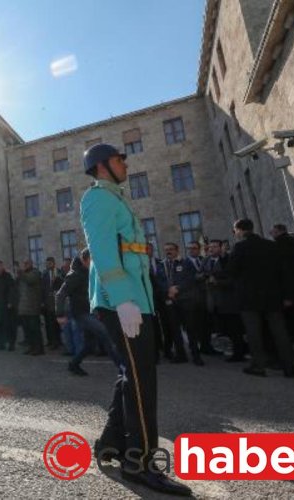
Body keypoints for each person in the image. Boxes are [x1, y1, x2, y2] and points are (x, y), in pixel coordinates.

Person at [81, 143, 191, 496]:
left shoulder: (117, 198)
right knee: (142, 378)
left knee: (133, 372)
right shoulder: (97, 198)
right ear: (101, 167)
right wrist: (124, 299)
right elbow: (101, 250)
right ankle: (140, 463)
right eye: (118, 159)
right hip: (121, 300)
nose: (125, 163)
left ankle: (111, 445)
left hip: (134, 299)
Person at [228, 219, 294, 377]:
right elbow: (284, 272)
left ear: (240, 230)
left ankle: (259, 366)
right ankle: (289, 367)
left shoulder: (240, 247)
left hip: (249, 298)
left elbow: (231, 271)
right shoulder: (271, 245)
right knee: (280, 332)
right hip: (273, 296)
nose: (235, 233)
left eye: (235, 230)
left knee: (254, 333)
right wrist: (288, 295)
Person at [55, 248, 114, 376]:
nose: (94, 264)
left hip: (90, 311)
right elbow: (60, 294)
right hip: (81, 314)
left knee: (90, 345)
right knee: (105, 332)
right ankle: (123, 367)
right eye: (91, 261)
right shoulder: (75, 274)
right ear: (84, 260)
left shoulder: (90, 272)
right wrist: (60, 314)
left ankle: (74, 364)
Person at [203, 239, 246, 361]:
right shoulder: (206, 260)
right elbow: (199, 274)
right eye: (210, 247)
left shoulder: (228, 260)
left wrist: (217, 282)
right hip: (214, 301)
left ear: (221, 248)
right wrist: (204, 277)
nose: (211, 249)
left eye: (215, 246)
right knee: (225, 328)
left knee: (235, 329)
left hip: (229, 300)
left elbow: (233, 279)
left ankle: (239, 353)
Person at [16, 259, 44, 355]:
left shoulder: (35, 273)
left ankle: (39, 348)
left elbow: (30, 280)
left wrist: (21, 273)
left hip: (32, 307)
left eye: (26, 263)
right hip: (24, 307)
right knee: (28, 330)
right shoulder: (24, 275)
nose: (25, 265)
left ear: (31, 264)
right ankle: (31, 347)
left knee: (35, 329)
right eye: (24, 264)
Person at [41, 257, 62, 350]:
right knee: (49, 323)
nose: (48, 265)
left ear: (53, 263)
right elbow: (42, 288)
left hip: (57, 301)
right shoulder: (44, 274)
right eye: (47, 263)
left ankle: (58, 341)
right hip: (48, 303)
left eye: (49, 263)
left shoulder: (59, 272)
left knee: (57, 323)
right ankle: (51, 341)